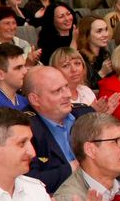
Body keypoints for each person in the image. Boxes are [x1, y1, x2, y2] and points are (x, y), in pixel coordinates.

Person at [22, 65, 96, 194]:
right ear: (35, 99)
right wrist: (73, 168)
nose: (68, 95)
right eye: (57, 91)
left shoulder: (86, 114)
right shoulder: (23, 128)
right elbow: (27, 181)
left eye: (66, 86)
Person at [0, 43, 29, 110]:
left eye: (24, 66)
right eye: (18, 68)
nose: (25, 71)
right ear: (0, 75)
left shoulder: (24, 101)